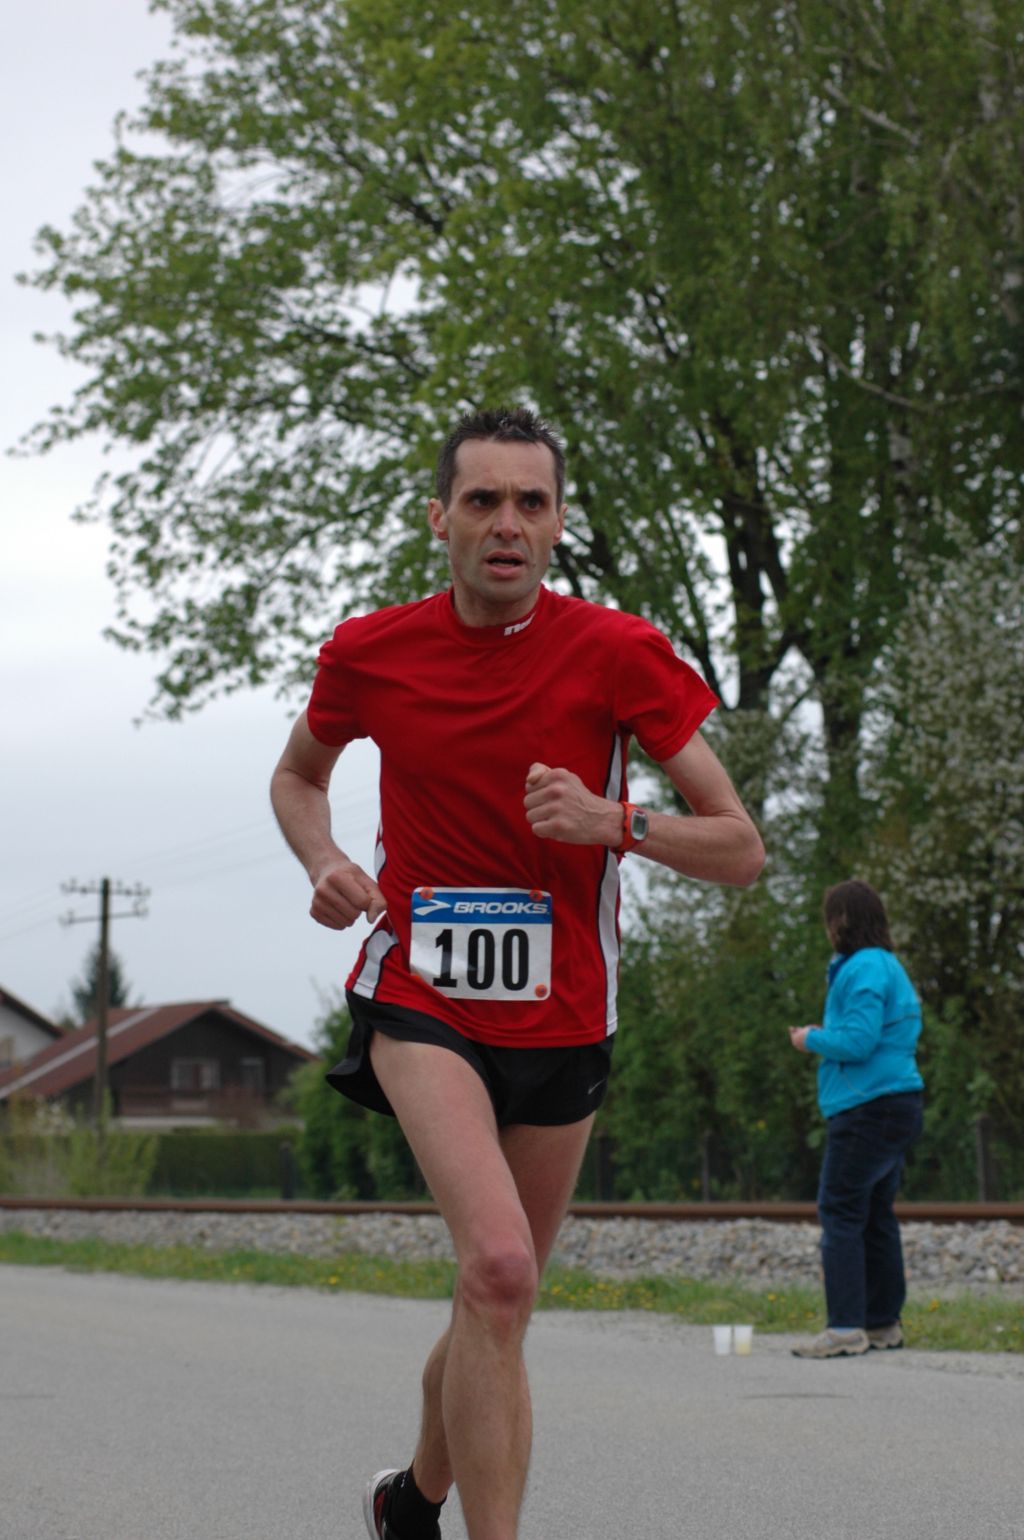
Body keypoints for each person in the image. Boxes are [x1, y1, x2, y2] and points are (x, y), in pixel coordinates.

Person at [270, 406, 765, 1540]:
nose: (507, 523)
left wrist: (613, 820)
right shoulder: (370, 652)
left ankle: (412, 1499)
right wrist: (326, 859)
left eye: (530, 503)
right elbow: (298, 777)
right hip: (420, 995)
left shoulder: (619, 653)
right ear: (439, 518)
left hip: (567, 1013)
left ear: (556, 525)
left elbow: (740, 846)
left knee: (499, 1298)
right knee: (497, 1266)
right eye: (483, 500)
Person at [789, 878, 925, 1360]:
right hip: (895, 1102)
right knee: (875, 1215)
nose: (829, 927)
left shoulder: (863, 967)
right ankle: (883, 1323)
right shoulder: (888, 964)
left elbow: (859, 1041)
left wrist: (810, 1038)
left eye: (830, 917)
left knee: (840, 1210)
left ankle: (845, 1327)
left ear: (841, 920)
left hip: (868, 1106)